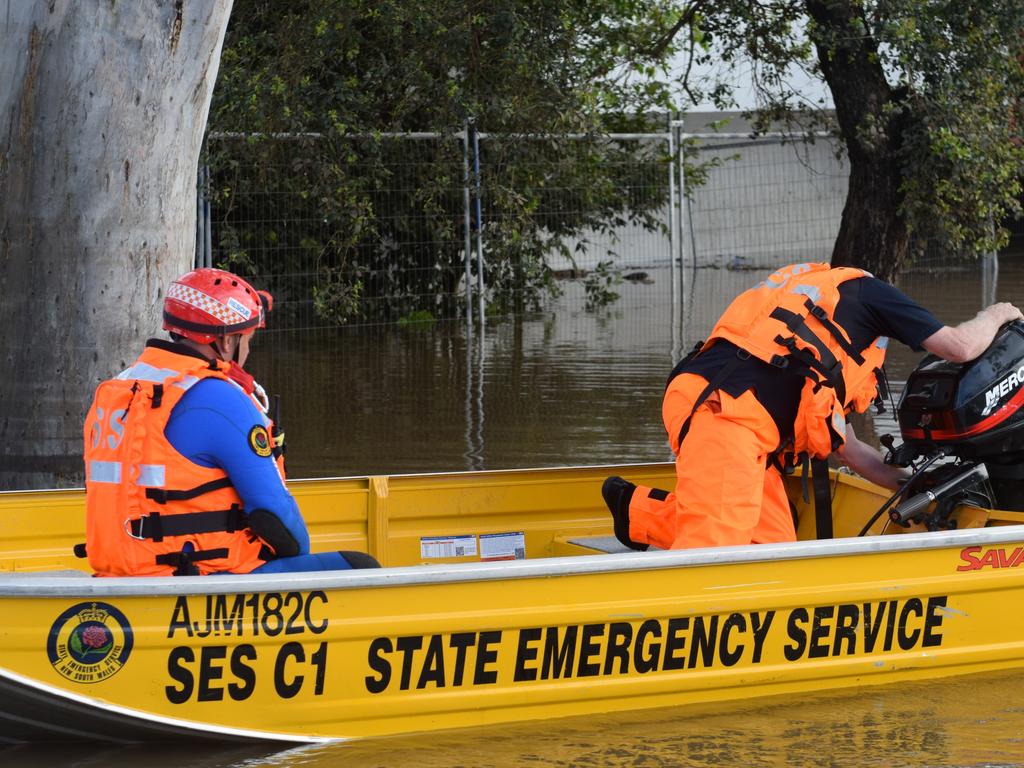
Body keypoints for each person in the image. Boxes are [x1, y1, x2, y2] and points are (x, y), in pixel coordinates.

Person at [603, 261, 1023, 552]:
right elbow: (963, 346)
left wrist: (916, 483)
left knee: (773, 552)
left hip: (742, 424)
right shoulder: (872, 295)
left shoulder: (819, 317)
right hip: (727, 412)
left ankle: (637, 513)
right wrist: (998, 313)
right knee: (715, 550)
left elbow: (854, 452)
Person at [83, 267, 379, 576]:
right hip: (201, 584)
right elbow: (279, 524)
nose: (247, 349)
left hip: (119, 576)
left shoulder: (118, 391)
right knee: (362, 567)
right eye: (247, 339)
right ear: (226, 342)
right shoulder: (221, 399)